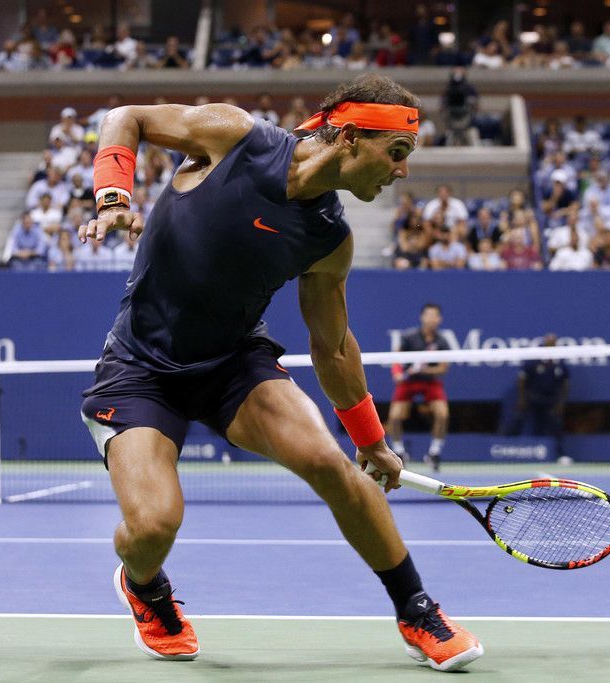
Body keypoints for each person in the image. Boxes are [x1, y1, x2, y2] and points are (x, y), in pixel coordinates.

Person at [76, 74, 482, 670]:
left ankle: (417, 610)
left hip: (233, 363)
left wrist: (372, 441)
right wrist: (114, 197)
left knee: (331, 465)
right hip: (140, 369)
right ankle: (144, 586)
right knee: (154, 526)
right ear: (349, 137)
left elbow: (333, 347)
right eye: (396, 152)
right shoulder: (236, 137)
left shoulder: (328, 239)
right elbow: (124, 117)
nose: (401, 171)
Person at [386, 304, 452, 472]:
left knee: (442, 415)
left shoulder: (442, 341)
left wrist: (423, 369)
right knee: (394, 417)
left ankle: (434, 453)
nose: (431, 319)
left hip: (430, 382)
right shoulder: (409, 337)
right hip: (408, 382)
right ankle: (399, 452)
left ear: (439, 319)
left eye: (435, 315)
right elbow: (396, 358)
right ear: (422, 317)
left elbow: (443, 368)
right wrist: (397, 374)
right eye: (428, 315)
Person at [513, 334, 568, 455]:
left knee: (556, 425)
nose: (551, 345)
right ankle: (507, 449)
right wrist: (522, 398)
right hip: (532, 398)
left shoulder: (560, 363)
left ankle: (560, 454)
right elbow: (522, 379)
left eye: (553, 343)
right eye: (548, 343)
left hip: (552, 400)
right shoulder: (534, 360)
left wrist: (561, 402)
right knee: (518, 420)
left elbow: (565, 384)